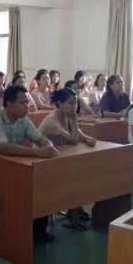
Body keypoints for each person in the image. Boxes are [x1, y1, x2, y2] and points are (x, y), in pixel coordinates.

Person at [0, 85, 58, 234]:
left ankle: (37, 230)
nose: (27, 106)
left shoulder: (24, 120)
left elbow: (41, 139)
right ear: (9, 104)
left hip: (16, 164)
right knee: (14, 187)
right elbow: (3, 147)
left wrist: (48, 146)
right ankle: (7, 231)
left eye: (27, 102)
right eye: (22, 103)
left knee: (40, 183)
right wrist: (38, 153)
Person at [39, 88, 96, 227]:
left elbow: (79, 134)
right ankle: (73, 214)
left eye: (75, 103)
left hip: (59, 158)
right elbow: (73, 139)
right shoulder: (52, 121)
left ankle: (75, 208)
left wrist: (87, 138)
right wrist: (75, 120)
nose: (74, 106)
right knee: (76, 175)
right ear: (59, 103)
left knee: (84, 171)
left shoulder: (66, 116)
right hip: (43, 163)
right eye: (70, 103)